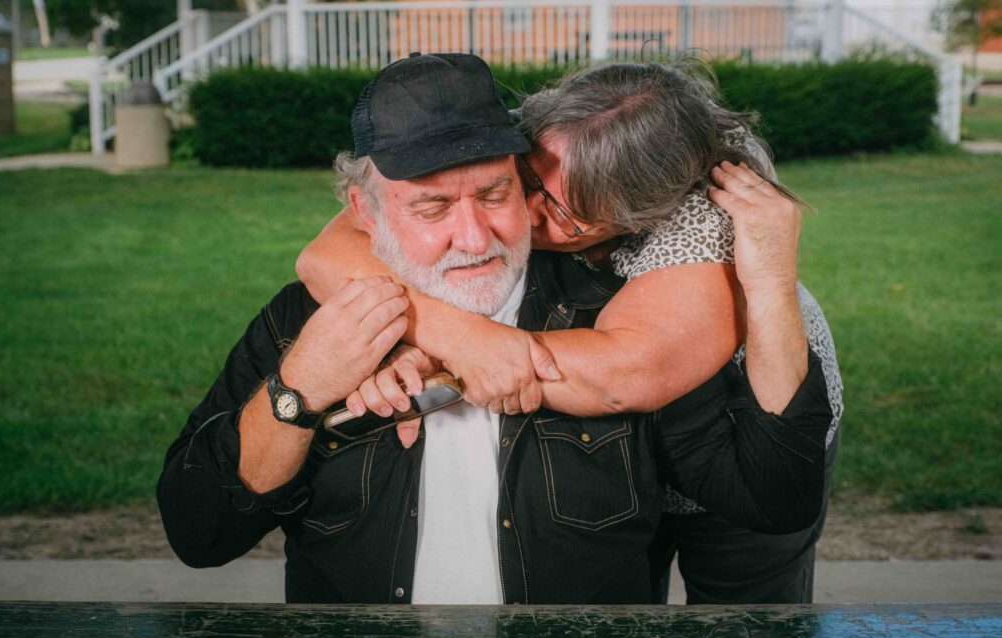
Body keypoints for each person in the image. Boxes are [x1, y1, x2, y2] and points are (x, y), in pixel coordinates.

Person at [157, 53, 833, 605]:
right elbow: (198, 531)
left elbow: (769, 489)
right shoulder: (309, 317)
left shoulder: (630, 301)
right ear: (365, 210)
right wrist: (300, 387)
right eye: (431, 207)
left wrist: (768, 278)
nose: (477, 235)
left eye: (495, 194)